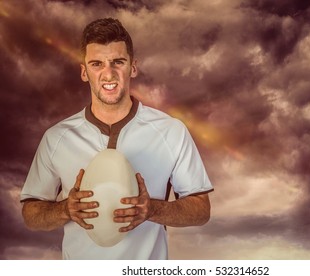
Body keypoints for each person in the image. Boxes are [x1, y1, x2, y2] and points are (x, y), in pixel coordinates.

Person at [20, 18, 213, 260]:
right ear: (84, 72)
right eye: (97, 63)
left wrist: (151, 209)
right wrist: (64, 209)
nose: (108, 74)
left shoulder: (171, 131)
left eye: (118, 62)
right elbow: (30, 213)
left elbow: (201, 210)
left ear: (133, 67)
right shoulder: (57, 137)